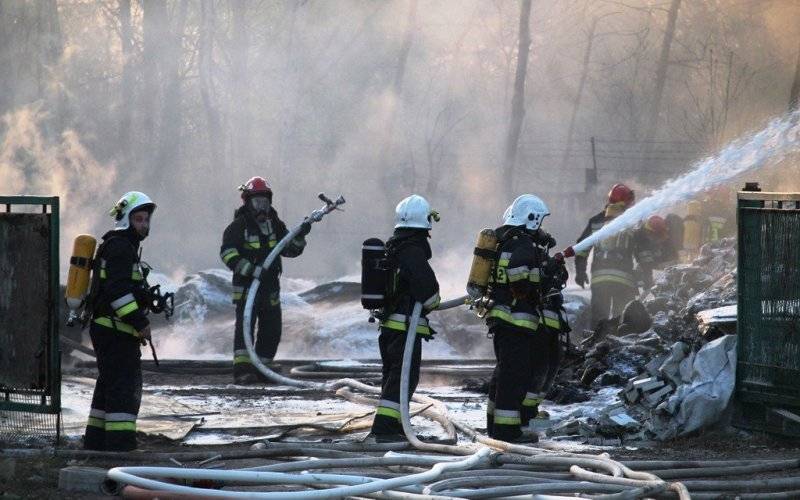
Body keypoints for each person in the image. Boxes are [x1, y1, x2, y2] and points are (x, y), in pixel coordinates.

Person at [219, 176, 310, 384]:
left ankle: (263, 368)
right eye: (257, 202)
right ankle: (243, 371)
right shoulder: (238, 226)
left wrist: (300, 236)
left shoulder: (276, 225)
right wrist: (251, 270)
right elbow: (227, 253)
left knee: (272, 329)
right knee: (245, 328)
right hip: (247, 288)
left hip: (270, 288)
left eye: (265, 202)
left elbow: (290, 250)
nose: (262, 207)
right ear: (247, 203)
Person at [84, 191, 156, 451]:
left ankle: (95, 441)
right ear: (126, 219)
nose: (144, 225)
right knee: (124, 389)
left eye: (146, 220)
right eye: (138, 219)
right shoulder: (121, 248)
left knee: (108, 385)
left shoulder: (120, 246)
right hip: (115, 331)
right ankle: (120, 445)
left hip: (110, 329)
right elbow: (118, 293)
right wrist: (140, 322)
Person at [366, 195, 441, 443]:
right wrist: (434, 301)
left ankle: (395, 424)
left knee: (394, 376)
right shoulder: (412, 251)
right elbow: (429, 293)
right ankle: (385, 428)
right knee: (403, 377)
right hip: (405, 328)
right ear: (425, 222)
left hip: (390, 326)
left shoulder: (395, 246)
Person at [485, 194, 549, 443]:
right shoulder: (522, 245)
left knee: (504, 373)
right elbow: (519, 276)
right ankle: (506, 431)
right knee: (513, 377)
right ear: (532, 219)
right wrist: (540, 279)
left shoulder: (504, 242)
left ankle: (494, 426)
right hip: (515, 320)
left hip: (502, 319)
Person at [575, 183, 641, 328]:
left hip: (600, 279)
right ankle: (618, 341)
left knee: (599, 318)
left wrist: (580, 272)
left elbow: (582, 248)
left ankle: (595, 340)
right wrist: (644, 275)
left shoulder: (596, 221)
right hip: (624, 280)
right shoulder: (633, 221)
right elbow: (641, 252)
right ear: (625, 202)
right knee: (622, 319)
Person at [521, 229, 569, 429]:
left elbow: (559, 280)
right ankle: (525, 412)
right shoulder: (526, 256)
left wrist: (557, 267)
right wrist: (548, 269)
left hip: (551, 325)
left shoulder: (542, 258)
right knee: (538, 369)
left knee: (550, 368)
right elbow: (534, 285)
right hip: (537, 325)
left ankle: (532, 409)